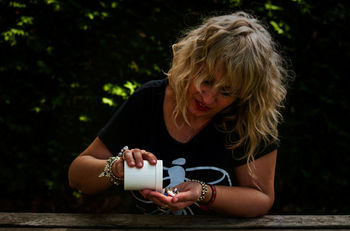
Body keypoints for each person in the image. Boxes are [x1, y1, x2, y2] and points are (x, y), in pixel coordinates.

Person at [68, 11, 290, 217]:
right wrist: (117, 168)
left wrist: (205, 192)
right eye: (207, 80)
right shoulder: (149, 100)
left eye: (226, 91)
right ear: (193, 62)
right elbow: (77, 176)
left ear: (245, 94)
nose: (208, 98)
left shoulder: (247, 118)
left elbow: (261, 199)